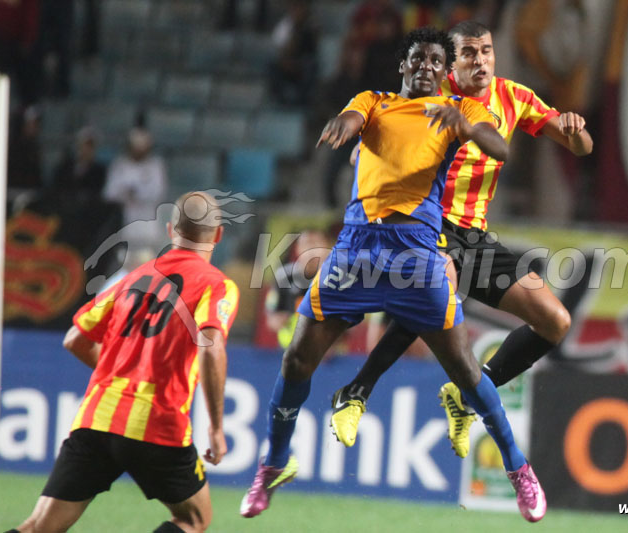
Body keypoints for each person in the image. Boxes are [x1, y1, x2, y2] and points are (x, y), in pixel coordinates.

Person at [241, 27, 546, 523]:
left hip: (417, 257)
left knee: (467, 373)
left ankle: (518, 470)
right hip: (357, 251)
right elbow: (352, 114)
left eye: (433, 60)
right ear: (403, 66)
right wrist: (343, 122)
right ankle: (272, 463)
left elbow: (501, 149)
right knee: (297, 360)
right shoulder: (376, 101)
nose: (425, 65)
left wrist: (466, 127)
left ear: (444, 72)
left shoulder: (460, 110)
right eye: (416, 58)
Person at [330, 20, 592, 461]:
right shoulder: (433, 95)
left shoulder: (514, 98)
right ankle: (355, 392)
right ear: (452, 63)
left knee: (555, 320)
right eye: (469, 53)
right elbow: (382, 133)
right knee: (437, 287)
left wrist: (573, 128)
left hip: (474, 236)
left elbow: (582, 148)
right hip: (423, 227)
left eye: (487, 51)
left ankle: (468, 393)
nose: (481, 60)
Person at [8, 191, 240, 533]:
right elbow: (210, 347)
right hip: (158, 424)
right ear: (218, 235)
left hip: (97, 419)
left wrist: (117, 373)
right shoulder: (217, 286)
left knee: (39, 526)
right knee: (194, 518)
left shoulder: (131, 279)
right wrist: (217, 428)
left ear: (169, 230)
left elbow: (75, 339)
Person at [103, 127, 168, 256]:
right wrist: (125, 193)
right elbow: (109, 193)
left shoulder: (156, 165)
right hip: (124, 225)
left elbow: (159, 192)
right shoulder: (120, 165)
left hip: (148, 227)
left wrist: (138, 193)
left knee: (147, 266)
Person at [50, 126, 106, 203]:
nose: (88, 149)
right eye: (85, 145)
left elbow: (96, 193)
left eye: (91, 146)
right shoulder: (64, 167)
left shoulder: (99, 171)